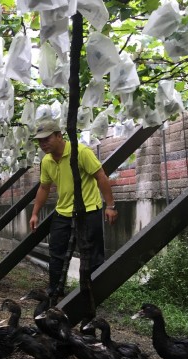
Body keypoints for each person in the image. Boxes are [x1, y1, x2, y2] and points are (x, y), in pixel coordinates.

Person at [28, 119, 118, 297]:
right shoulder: (46, 161)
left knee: (92, 255)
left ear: (59, 135)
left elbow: (101, 177)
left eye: (46, 139)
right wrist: (34, 213)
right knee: (56, 253)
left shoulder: (81, 152)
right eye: (39, 141)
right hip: (63, 212)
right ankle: (55, 290)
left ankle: (93, 294)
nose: (43, 144)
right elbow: (44, 187)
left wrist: (110, 206)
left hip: (88, 210)